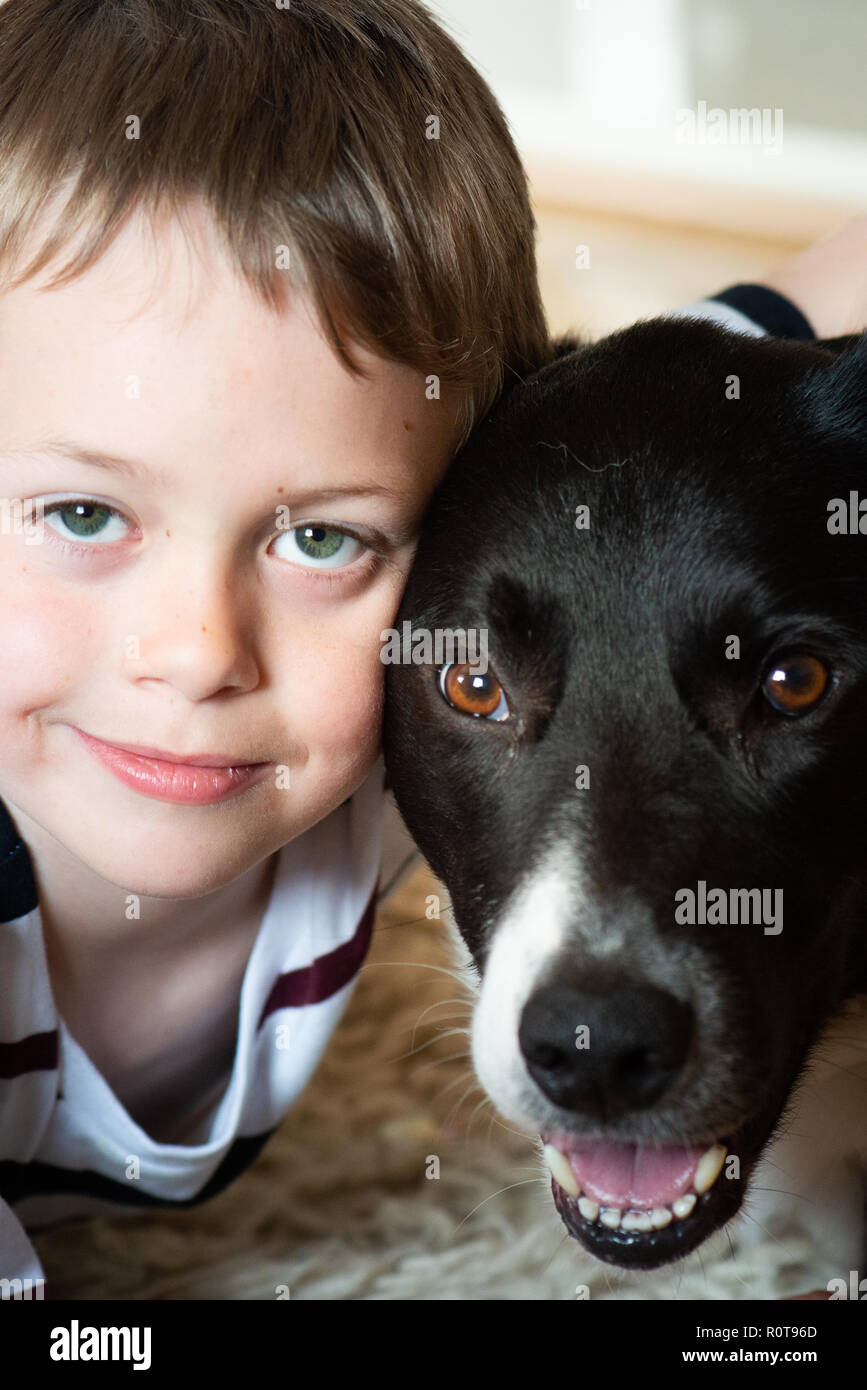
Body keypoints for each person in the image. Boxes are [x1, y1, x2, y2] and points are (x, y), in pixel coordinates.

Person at [0, 0, 856, 1298]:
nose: (194, 652)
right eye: (82, 513)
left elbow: (714, 387)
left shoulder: (348, 700)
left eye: (324, 540)